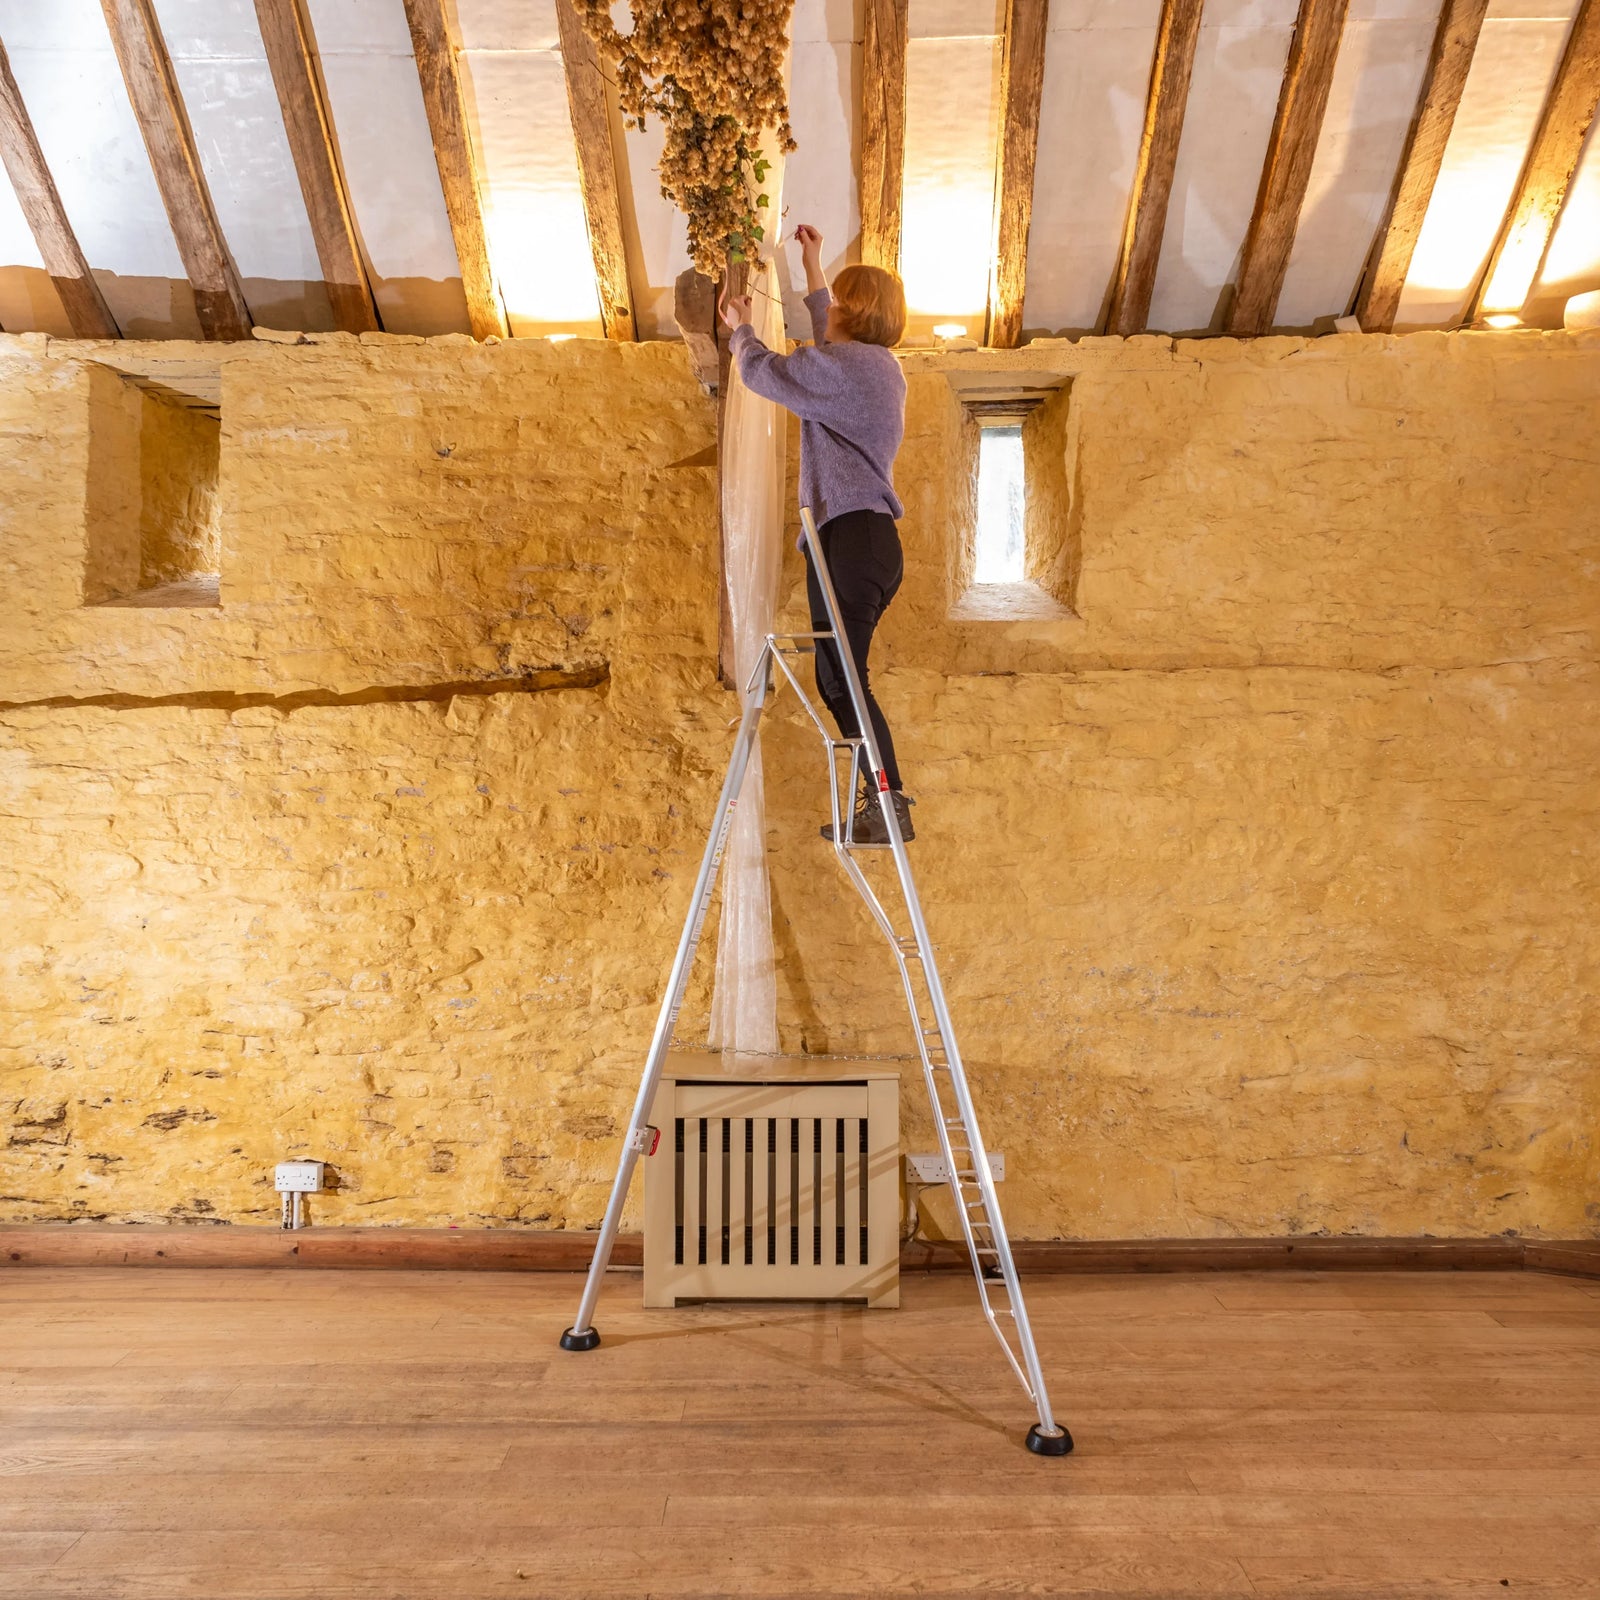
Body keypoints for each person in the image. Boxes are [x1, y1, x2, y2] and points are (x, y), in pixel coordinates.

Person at [719, 224, 913, 845]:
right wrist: (813, 267)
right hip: (863, 541)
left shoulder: (849, 369)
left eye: (839, 307)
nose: (832, 315)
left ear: (855, 317)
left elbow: (768, 374)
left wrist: (740, 332)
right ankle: (880, 803)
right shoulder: (875, 368)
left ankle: (888, 804)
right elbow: (824, 337)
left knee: (845, 680)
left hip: (850, 539)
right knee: (840, 679)